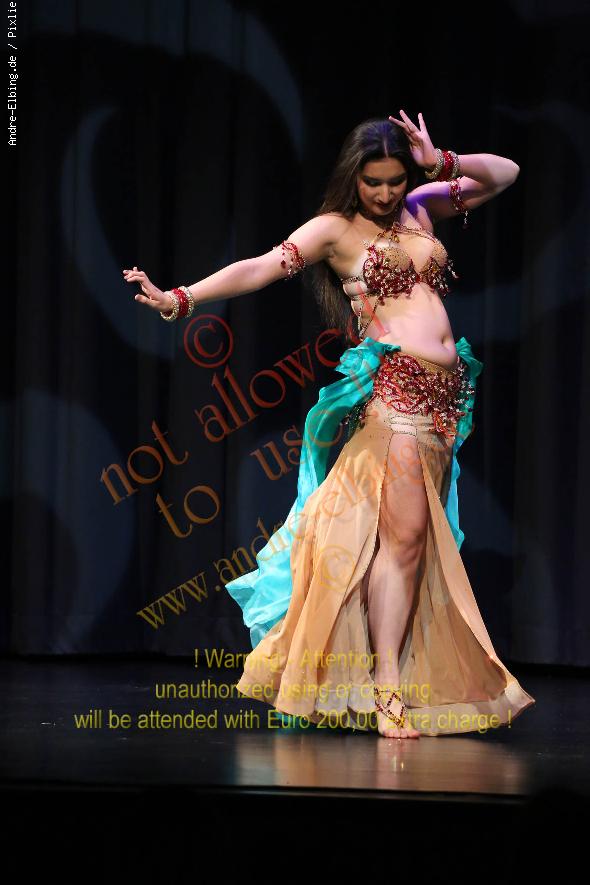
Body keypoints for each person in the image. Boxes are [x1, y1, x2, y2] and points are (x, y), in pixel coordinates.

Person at [123, 110, 536, 739]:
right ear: (353, 176)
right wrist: (180, 299)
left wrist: (440, 163)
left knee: (410, 545)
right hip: (394, 397)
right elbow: (259, 267)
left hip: (444, 404)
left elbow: (505, 173)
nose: (386, 193)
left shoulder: (420, 207)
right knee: (402, 540)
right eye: (374, 182)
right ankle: (388, 691)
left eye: (396, 180)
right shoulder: (334, 230)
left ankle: (383, 679)